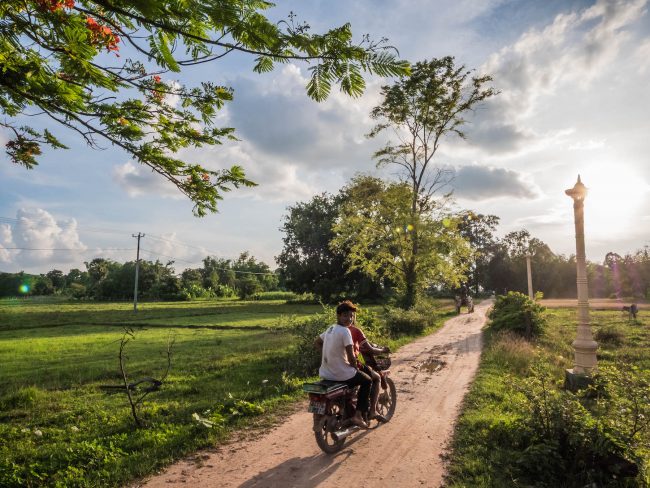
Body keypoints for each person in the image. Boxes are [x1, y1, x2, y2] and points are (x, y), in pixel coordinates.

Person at [314, 300, 371, 429]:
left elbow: (317, 342)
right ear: (338, 316)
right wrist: (356, 367)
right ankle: (358, 415)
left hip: (326, 373)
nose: (349, 319)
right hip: (341, 375)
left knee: (357, 379)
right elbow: (351, 357)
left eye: (351, 316)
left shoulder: (331, 329)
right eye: (345, 315)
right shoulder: (346, 332)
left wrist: (327, 355)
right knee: (367, 380)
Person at [348, 318, 390, 423]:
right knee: (375, 378)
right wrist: (382, 350)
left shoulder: (333, 330)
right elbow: (370, 349)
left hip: (336, 366)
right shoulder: (355, 330)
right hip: (351, 365)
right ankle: (372, 412)